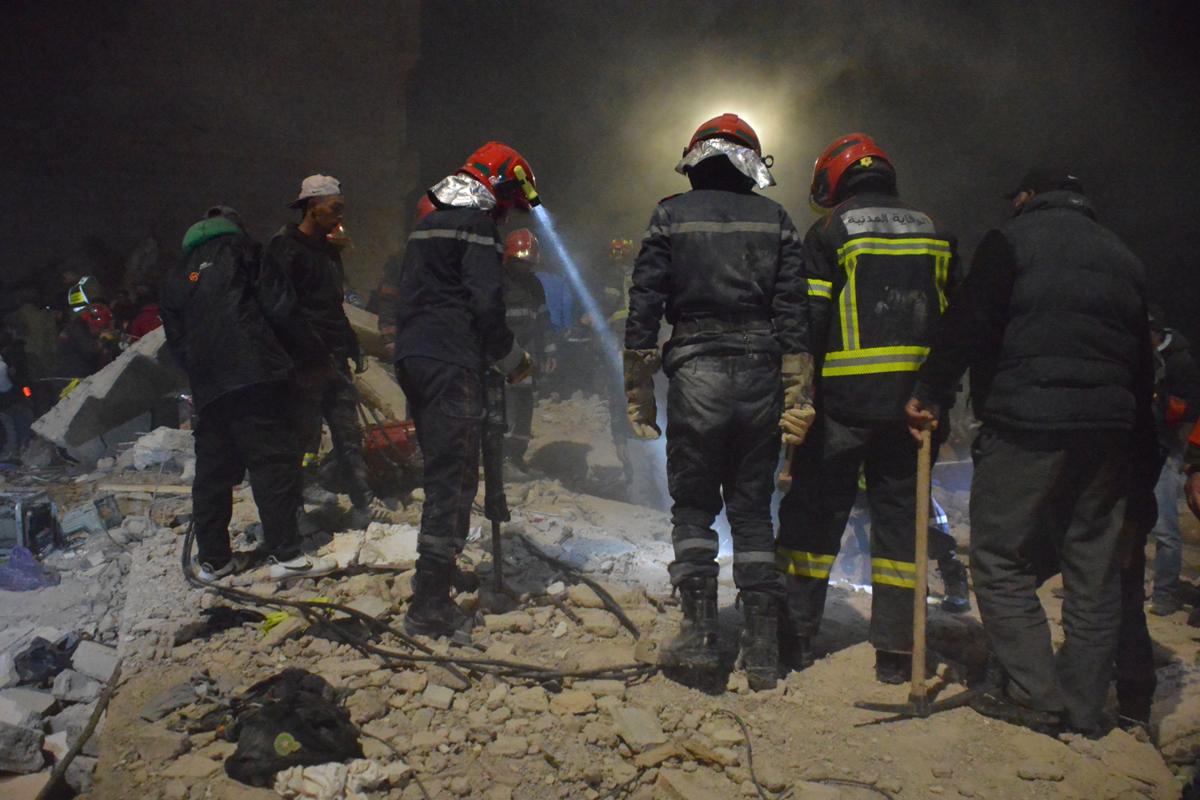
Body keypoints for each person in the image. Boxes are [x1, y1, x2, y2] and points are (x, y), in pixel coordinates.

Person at [906, 168, 1153, 735]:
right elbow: (1141, 367)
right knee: (1093, 569)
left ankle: (1034, 693)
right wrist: (1140, 467)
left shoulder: (1011, 241)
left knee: (998, 557)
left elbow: (969, 321)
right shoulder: (1123, 257)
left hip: (1026, 422)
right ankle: (1085, 708)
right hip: (1109, 432)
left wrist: (930, 389)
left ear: (1027, 198)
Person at [625, 113, 808, 690]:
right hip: (760, 374)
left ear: (695, 159)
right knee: (752, 510)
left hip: (696, 372)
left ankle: (700, 637)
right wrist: (798, 390)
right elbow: (793, 309)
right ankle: (763, 651)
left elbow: (645, 302)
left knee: (694, 506)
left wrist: (638, 389)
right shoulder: (776, 219)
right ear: (752, 162)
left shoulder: (670, 215)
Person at [775, 133, 960, 683]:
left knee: (813, 517)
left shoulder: (831, 230)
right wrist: (937, 394)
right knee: (901, 527)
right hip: (915, 409)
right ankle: (897, 655)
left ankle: (794, 637)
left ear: (834, 178)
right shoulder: (937, 230)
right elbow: (957, 326)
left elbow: (809, 319)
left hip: (842, 404)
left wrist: (799, 396)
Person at [380, 142, 537, 639]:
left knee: (439, 470)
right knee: (455, 479)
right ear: (497, 185)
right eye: (509, 201)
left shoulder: (427, 226)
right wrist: (512, 360)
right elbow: (487, 307)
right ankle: (429, 604)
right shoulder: (476, 228)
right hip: (452, 360)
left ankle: (436, 574)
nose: (508, 213)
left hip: (416, 359)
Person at [161, 206, 334, 581]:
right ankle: (286, 556)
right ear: (235, 227)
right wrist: (312, 357)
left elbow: (175, 341)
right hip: (255, 373)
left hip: (209, 387)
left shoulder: (175, 275)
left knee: (213, 473)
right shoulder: (246, 251)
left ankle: (213, 561)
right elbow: (281, 307)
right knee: (272, 461)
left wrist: (201, 374)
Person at [264, 175, 379, 527]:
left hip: (333, 356)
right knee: (303, 435)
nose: (340, 216)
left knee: (348, 432)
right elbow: (282, 309)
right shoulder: (285, 249)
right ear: (313, 206)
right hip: (303, 362)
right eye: (335, 208)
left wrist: (350, 343)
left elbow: (332, 305)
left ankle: (363, 503)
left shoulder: (328, 253)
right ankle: (296, 507)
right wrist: (309, 354)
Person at [1146, 306, 1200, 615]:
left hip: (1166, 447)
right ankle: (1130, 587)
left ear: (1155, 333)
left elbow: (1189, 411)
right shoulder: (1143, 355)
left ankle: (1165, 592)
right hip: (1139, 446)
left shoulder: (1180, 362)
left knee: (1165, 525)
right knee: (1127, 521)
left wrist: (1181, 452)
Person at [500, 228, 554, 480]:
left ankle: (516, 457)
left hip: (526, 355)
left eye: (529, 262)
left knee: (523, 405)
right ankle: (503, 461)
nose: (526, 267)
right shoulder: (498, 281)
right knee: (507, 407)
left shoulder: (534, 285)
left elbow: (543, 320)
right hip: (504, 354)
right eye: (522, 261)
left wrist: (549, 350)